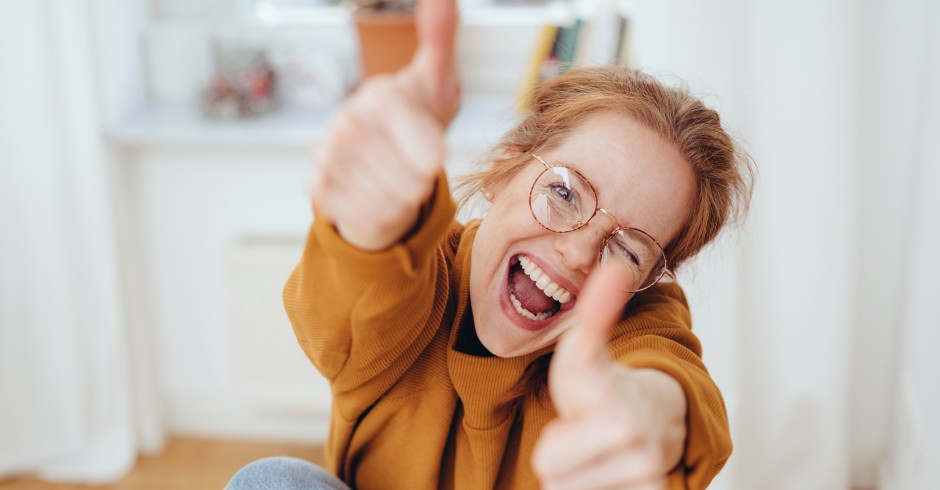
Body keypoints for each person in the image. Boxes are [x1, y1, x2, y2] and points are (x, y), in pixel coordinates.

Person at [226, 0, 753, 488]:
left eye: (629, 251)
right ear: (506, 165)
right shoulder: (420, 281)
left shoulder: (631, 323)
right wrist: (369, 224)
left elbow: (671, 383)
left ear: (649, 280)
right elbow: (364, 283)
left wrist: (644, 412)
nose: (577, 254)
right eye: (564, 192)